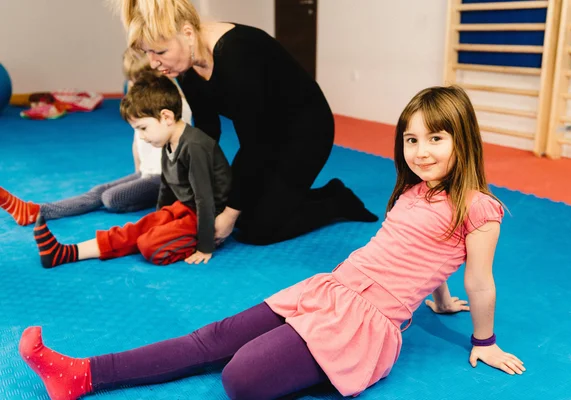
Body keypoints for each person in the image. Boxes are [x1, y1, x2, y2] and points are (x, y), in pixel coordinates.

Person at [18, 86, 525, 400]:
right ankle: (82, 374)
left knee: (240, 380)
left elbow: (480, 278)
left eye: (436, 138)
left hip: (364, 321)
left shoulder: (479, 208)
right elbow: (416, 251)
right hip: (330, 288)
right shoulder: (414, 190)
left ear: (463, 139)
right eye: (411, 140)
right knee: (211, 338)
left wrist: (484, 341)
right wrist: (439, 298)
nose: (420, 151)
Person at [113, 0, 379, 247]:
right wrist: (184, 198)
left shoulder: (238, 53)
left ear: (188, 34)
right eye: (147, 52)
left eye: (160, 51)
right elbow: (207, 133)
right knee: (246, 209)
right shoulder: (185, 64)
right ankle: (283, 200)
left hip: (304, 132)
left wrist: (228, 215)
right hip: (265, 134)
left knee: (257, 230)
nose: (154, 63)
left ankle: (336, 200)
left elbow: (256, 146)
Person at [33, 72, 231, 268]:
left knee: (149, 245)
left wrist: (205, 246)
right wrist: (159, 218)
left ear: (166, 117)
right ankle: (66, 252)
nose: (141, 137)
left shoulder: (195, 146)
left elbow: (205, 200)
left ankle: (195, 240)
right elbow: (167, 186)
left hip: (206, 213)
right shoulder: (168, 141)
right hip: (185, 207)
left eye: (143, 128)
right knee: (138, 228)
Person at [0, 49, 192, 227]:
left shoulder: (175, 106)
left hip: (165, 178)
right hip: (147, 173)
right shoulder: (144, 107)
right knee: (99, 191)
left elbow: (183, 148)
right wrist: (137, 174)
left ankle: (151, 200)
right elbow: (138, 143)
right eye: (131, 80)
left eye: (138, 80)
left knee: (111, 198)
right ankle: (36, 211)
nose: (133, 86)